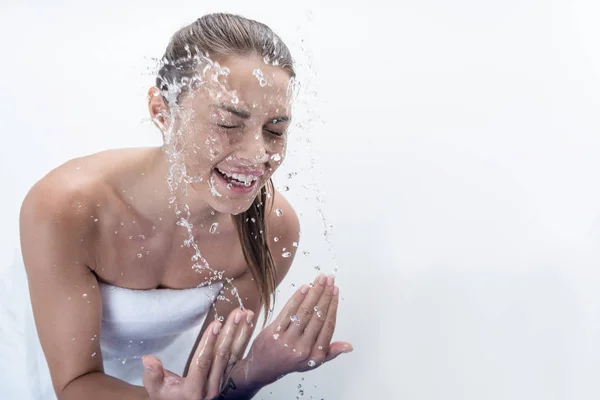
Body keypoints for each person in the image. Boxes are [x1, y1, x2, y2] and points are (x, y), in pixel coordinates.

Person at [14, 12, 352, 400]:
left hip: (162, 381)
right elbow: (73, 384)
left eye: (275, 130)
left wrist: (256, 370)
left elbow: (202, 387)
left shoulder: (271, 227)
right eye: (229, 124)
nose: (259, 154)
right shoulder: (67, 209)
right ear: (162, 111)